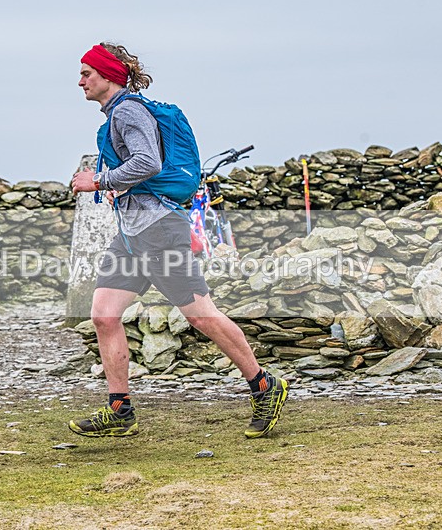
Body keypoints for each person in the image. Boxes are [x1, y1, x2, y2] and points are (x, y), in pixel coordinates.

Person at [69, 42, 287, 439]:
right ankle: (120, 410)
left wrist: (97, 181)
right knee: (103, 314)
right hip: (133, 234)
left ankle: (264, 385)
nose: (79, 80)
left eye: (86, 73)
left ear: (107, 76)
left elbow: (147, 162)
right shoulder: (116, 115)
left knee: (201, 315)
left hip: (161, 230)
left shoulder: (129, 111)